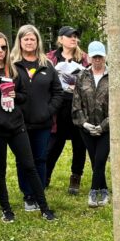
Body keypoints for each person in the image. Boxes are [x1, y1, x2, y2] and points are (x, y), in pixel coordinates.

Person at [0, 32, 54, 223]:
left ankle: (44, 207)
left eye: (3, 47)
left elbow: (24, 95)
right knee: (0, 169)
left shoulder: (13, 69)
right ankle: (6, 209)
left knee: (30, 165)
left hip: (16, 125)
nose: (0, 51)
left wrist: (15, 95)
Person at [11, 24, 62, 212]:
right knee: (23, 159)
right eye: (26, 39)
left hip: (43, 122)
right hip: (19, 123)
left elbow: (58, 92)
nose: (29, 42)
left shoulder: (46, 65)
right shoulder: (12, 65)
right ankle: (28, 195)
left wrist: (48, 111)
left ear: (37, 41)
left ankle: (39, 191)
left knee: (40, 158)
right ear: (20, 41)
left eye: (32, 39)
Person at [44, 26, 90, 195]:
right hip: (57, 108)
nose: (73, 39)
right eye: (70, 36)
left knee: (79, 144)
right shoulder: (50, 58)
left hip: (78, 107)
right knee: (53, 144)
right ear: (60, 39)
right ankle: (45, 176)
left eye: (75, 36)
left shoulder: (84, 58)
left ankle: (75, 178)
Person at [72, 41, 112, 208]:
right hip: (86, 128)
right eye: (94, 57)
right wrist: (84, 124)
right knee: (95, 160)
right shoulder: (82, 76)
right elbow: (76, 103)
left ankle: (94, 190)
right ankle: (104, 189)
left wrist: (103, 126)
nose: (97, 60)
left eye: (100, 57)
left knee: (100, 159)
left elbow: (115, 106)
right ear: (88, 57)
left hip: (106, 128)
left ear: (105, 57)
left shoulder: (112, 76)